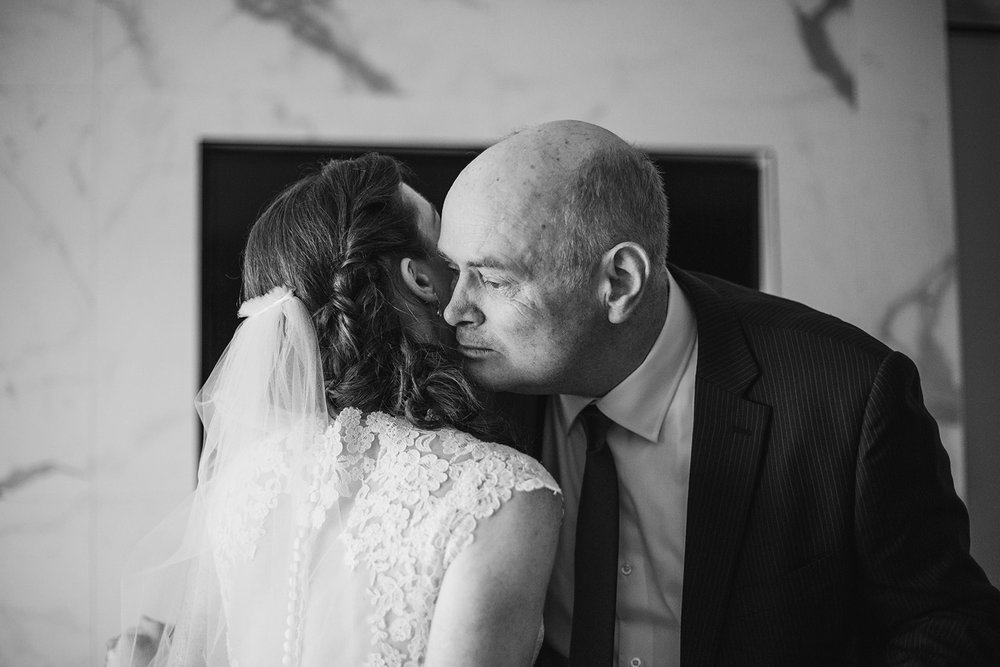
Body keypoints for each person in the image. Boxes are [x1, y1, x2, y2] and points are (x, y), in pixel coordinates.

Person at [437, 120, 1000, 665]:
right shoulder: (458, 390)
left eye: (492, 278)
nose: (454, 310)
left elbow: (945, 623)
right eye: (451, 271)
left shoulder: (849, 396)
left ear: (619, 283)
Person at [110, 153, 562, 667]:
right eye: (449, 252)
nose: (462, 272)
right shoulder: (499, 492)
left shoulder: (242, 483)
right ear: (419, 279)